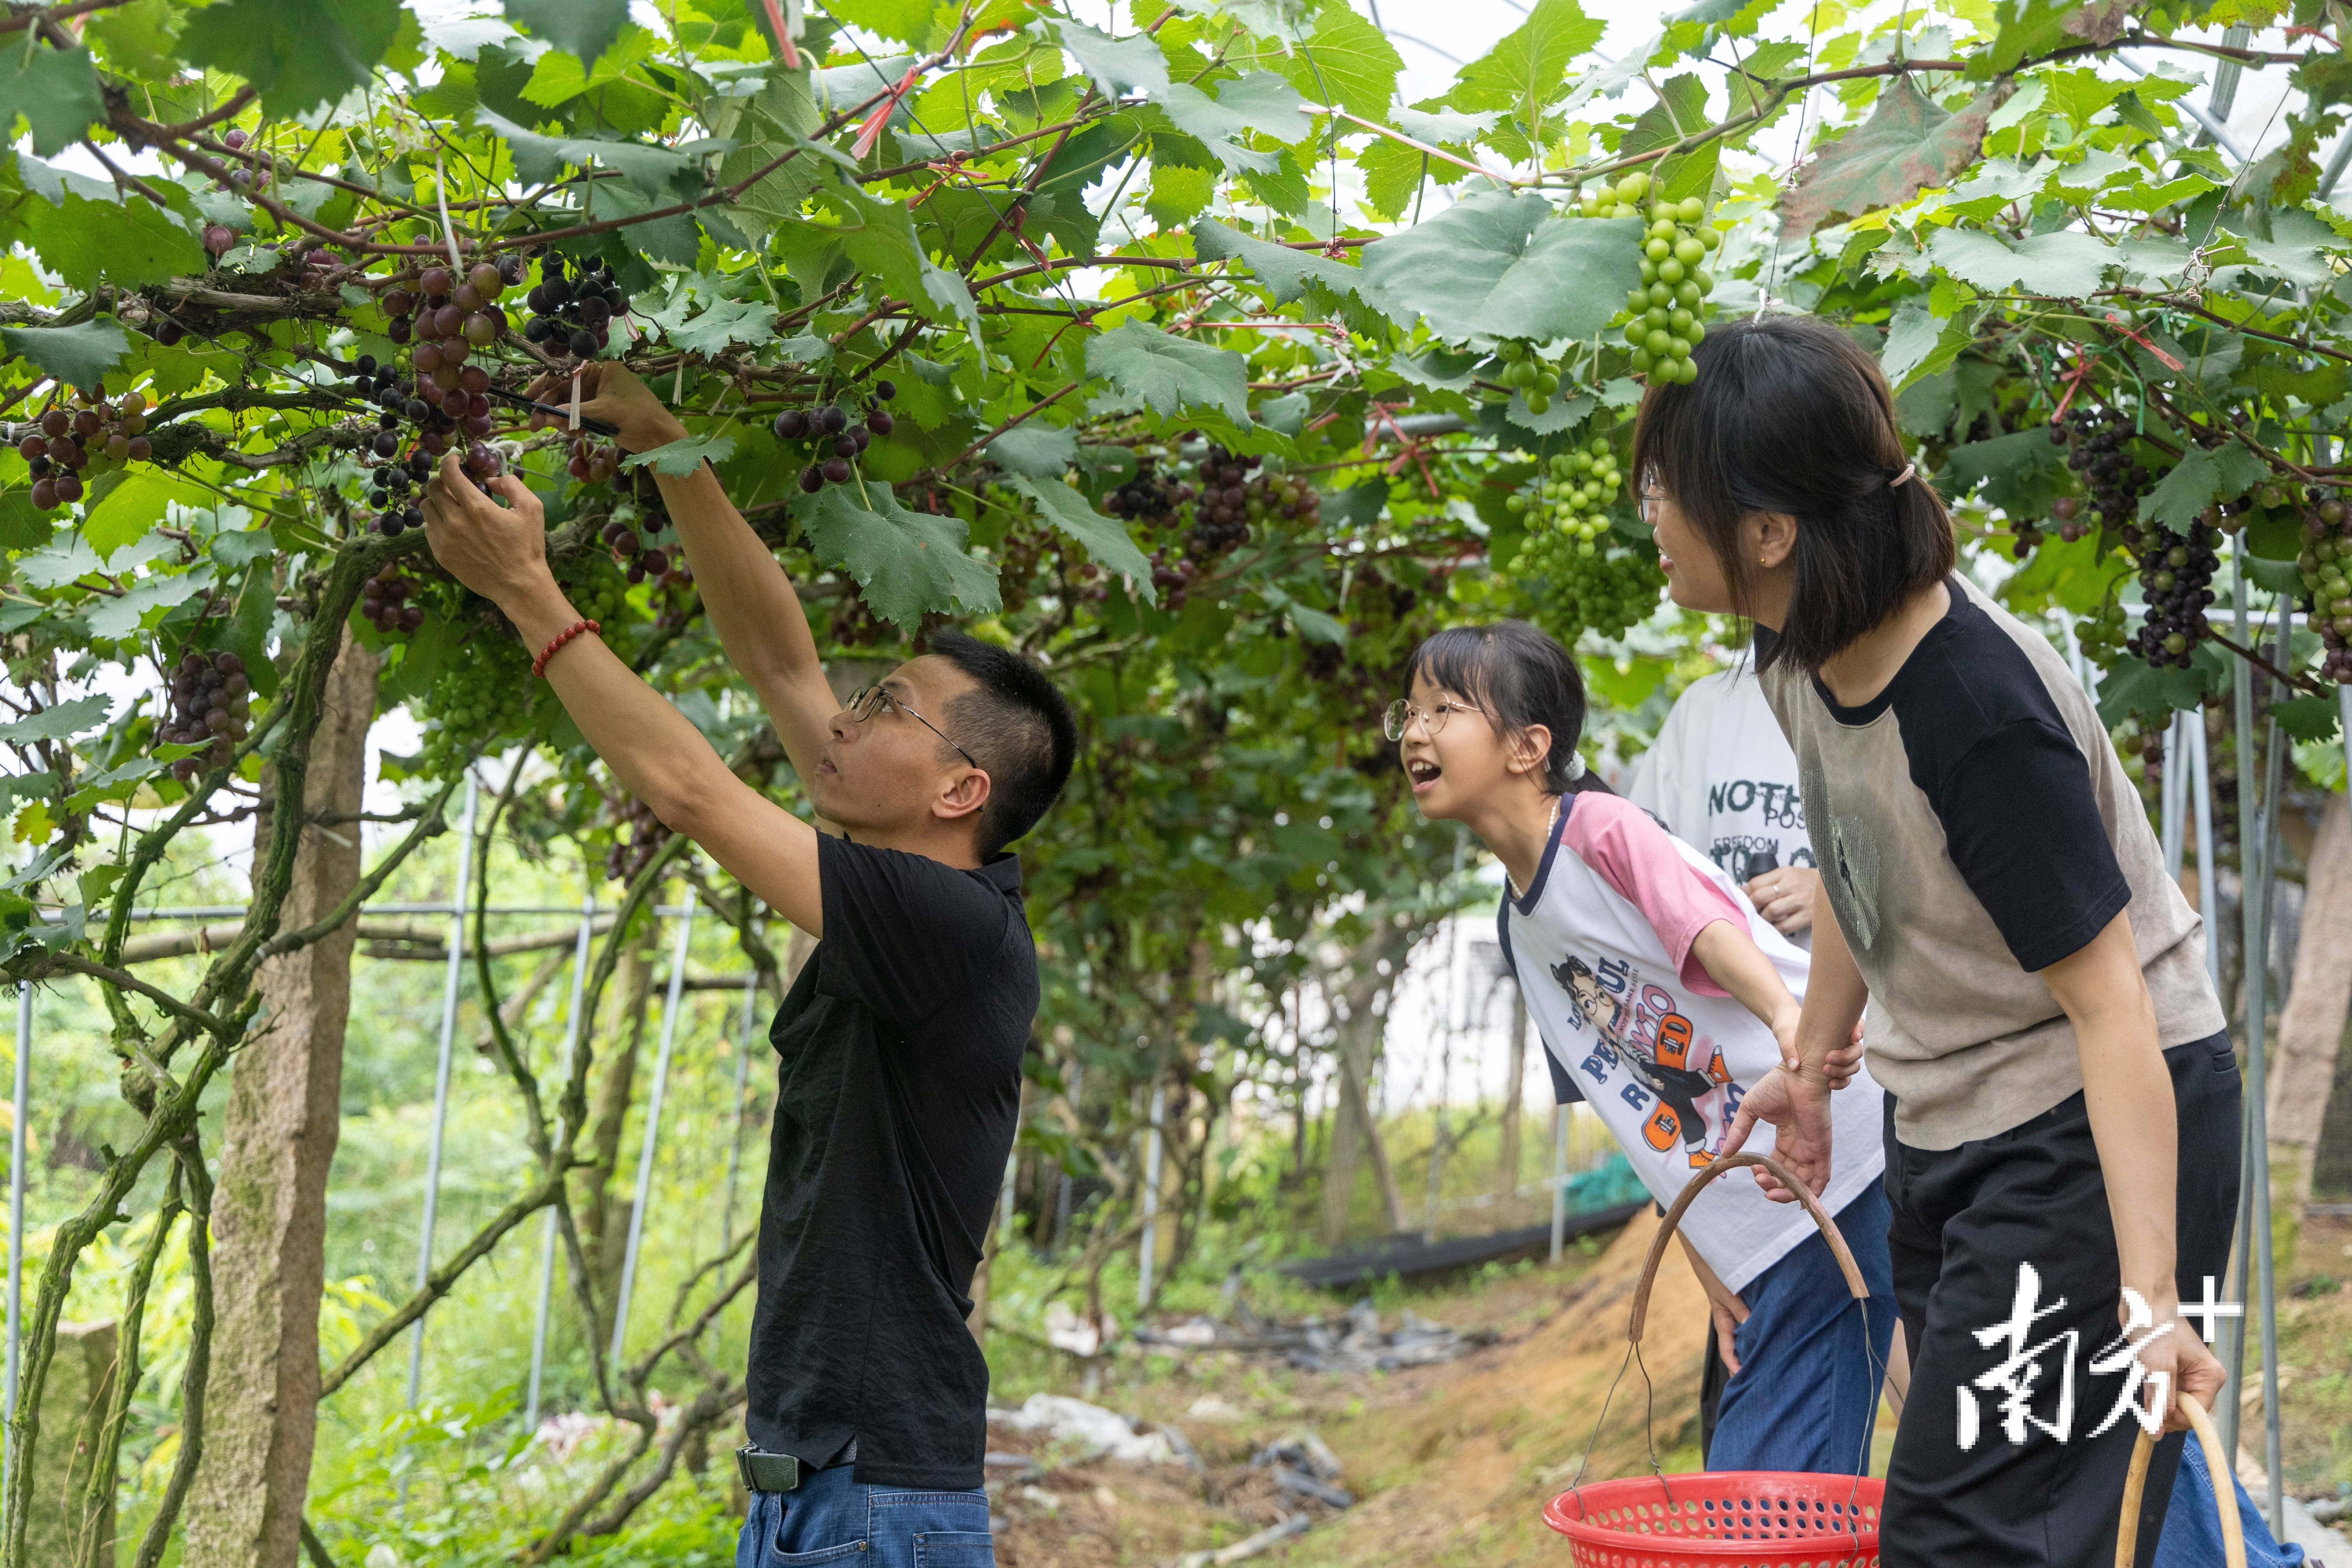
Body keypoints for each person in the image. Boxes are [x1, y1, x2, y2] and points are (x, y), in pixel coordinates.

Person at [422, 364, 1075, 1568]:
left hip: (874, 1502)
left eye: (886, 705)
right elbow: (779, 664)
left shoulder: (952, 925)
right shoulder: (902, 893)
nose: (848, 713)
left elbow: (687, 789)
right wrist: (672, 450)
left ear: (959, 790)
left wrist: (528, 592)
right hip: (808, 1494)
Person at [1644, 314, 2231, 1567]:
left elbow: (2112, 1006)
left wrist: (2148, 1303)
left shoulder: (1970, 712)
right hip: (1953, 1116)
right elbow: (1856, 859)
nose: (1650, 509)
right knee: (1997, 1526)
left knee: (1968, 1536)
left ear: (1767, 531)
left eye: (1669, 486)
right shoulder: (1797, 647)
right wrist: (1809, 1067)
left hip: (2090, 1119)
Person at [1392, 622, 1895, 1477]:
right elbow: (1630, 1112)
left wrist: (1789, 1025)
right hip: (1764, 1199)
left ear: (1529, 746)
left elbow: (1708, 928)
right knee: (1799, 1460)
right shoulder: (1521, 929)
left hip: (1841, 1140)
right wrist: (1704, 1260)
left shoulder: (1600, 828)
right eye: (1407, 712)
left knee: (1770, 1471)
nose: (1414, 731)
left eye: (1444, 708)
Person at [1626, 658, 1826, 1459]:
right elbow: (1642, 897)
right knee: (1763, 1398)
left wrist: (1837, 891)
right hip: (1744, 1118)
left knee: (1952, 1394)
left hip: (1877, 1096)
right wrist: (1703, 1242)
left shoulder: (1887, 683)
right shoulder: (1705, 710)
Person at [1627, 660, 1820, 943]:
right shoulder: (1706, 703)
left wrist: (1830, 894)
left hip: (1841, 979)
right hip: (1717, 978)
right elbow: (1642, 859)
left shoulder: (1884, 698)